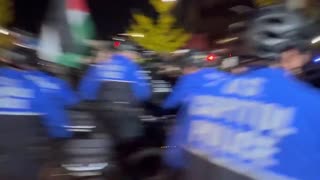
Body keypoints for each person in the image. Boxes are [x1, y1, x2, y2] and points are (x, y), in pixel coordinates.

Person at [170, 5, 320, 180]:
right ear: (291, 55)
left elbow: (175, 157)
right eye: (304, 55)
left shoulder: (205, 92)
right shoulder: (310, 104)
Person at [78, 42, 151, 179]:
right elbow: (144, 94)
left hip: (103, 115)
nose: (135, 57)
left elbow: (85, 92)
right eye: (135, 55)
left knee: (106, 148)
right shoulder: (133, 67)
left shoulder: (100, 65)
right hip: (126, 116)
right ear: (129, 53)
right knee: (129, 151)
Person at [0, 45, 54, 179]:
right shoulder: (33, 87)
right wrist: (60, 135)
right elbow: (53, 119)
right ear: (30, 67)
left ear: (7, 60)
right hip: (22, 151)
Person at [162, 50, 228, 110]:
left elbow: (170, 103)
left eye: (183, 69)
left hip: (202, 119)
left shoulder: (188, 79)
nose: (183, 72)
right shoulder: (225, 76)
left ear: (189, 67)